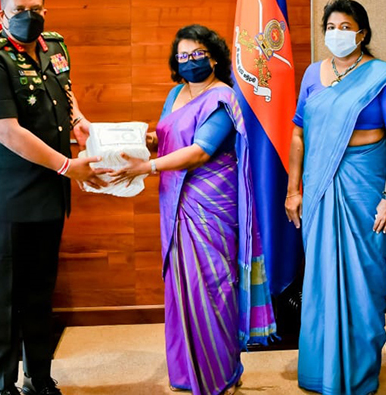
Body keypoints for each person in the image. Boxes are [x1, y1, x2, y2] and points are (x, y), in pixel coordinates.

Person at [106, 24, 276, 395]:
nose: (190, 61)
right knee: (182, 288)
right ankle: (186, 374)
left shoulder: (221, 98)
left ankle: (221, 373)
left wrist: (146, 167)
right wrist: (148, 140)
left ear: (214, 57)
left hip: (211, 206)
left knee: (214, 287)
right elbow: (167, 137)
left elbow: (200, 151)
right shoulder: (175, 94)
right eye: (182, 56)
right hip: (175, 202)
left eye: (197, 54)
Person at [0, 0, 106, 395]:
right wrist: (67, 165)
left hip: (47, 191)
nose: (31, 18)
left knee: (39, 292)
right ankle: (3, 385)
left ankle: (40, 379)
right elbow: (7, 132)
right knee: (2, 298)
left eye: (37, 9)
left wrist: (81, 124)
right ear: (2, 15)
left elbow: (64, 94)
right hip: (3, 194)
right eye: (20, 11)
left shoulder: (56, 45)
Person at [285, 0, 386, 395]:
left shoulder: (383, 77)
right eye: (331, 27)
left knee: (363, 278)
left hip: (365, 188)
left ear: (362, 32)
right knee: (321, 278)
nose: (337, 34)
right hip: (320, 190)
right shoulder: (312, 74)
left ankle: (358, 373)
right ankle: (319, 370)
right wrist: (293, 190)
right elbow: (298, 133)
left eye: (346, 26)